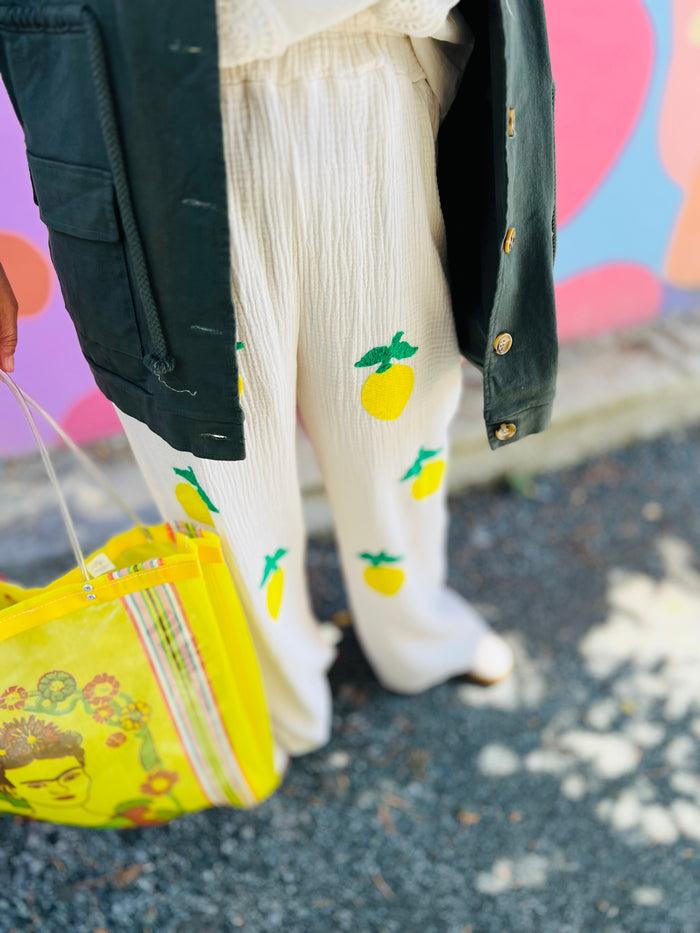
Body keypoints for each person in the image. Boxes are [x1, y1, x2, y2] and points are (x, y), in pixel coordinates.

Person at [0, 2, 556, 760]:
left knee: (398, 432)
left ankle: (413, 628)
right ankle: (276, 695)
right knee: (220, 480)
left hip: (378, 75)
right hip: (142, 125)